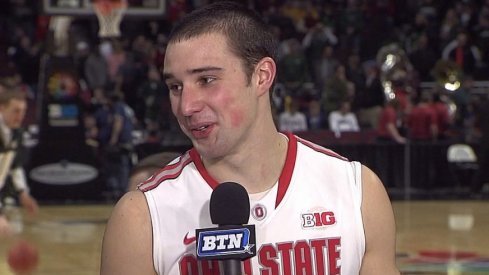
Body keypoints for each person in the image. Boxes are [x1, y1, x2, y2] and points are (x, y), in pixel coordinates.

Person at [101, 2, 400, 275]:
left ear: (261, 76)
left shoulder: (357, 191)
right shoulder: (141, 217)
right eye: (176, 86)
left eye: (206, 80)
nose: (186, 106)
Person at [0, 91, 38, 237]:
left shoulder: (17, 133)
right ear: (2, 108)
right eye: (16, 110)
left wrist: (23, 194)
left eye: (23, 111)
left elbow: (15, 166)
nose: (20, 116)